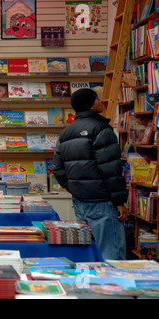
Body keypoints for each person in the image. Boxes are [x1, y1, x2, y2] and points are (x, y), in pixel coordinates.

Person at [52, 88, 128, 260]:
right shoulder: (101, 129)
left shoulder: (66, 133)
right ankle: (114, 287)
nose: (101, 100)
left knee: (89, 253)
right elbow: (111, 169)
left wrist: (74, 187)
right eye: (97, 98)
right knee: (112, 254)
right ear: (91, 105)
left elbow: (57, 168)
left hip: (79, 202)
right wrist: (119, 201)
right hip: (102, 201)